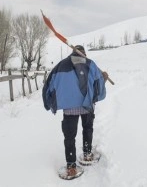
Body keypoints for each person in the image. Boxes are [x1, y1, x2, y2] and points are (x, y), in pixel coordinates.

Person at [42, 45, 108, 177]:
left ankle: (71, 165)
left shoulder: (60, 66)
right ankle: (87, 153)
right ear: (84, 53)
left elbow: (48, 85)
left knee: (69, 136)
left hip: (68, 108)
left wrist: (48, 103)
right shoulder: (91, 64)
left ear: (73, 52)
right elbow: (99, 85)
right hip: (87, 106)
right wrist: (104, 79)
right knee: (87, 128)